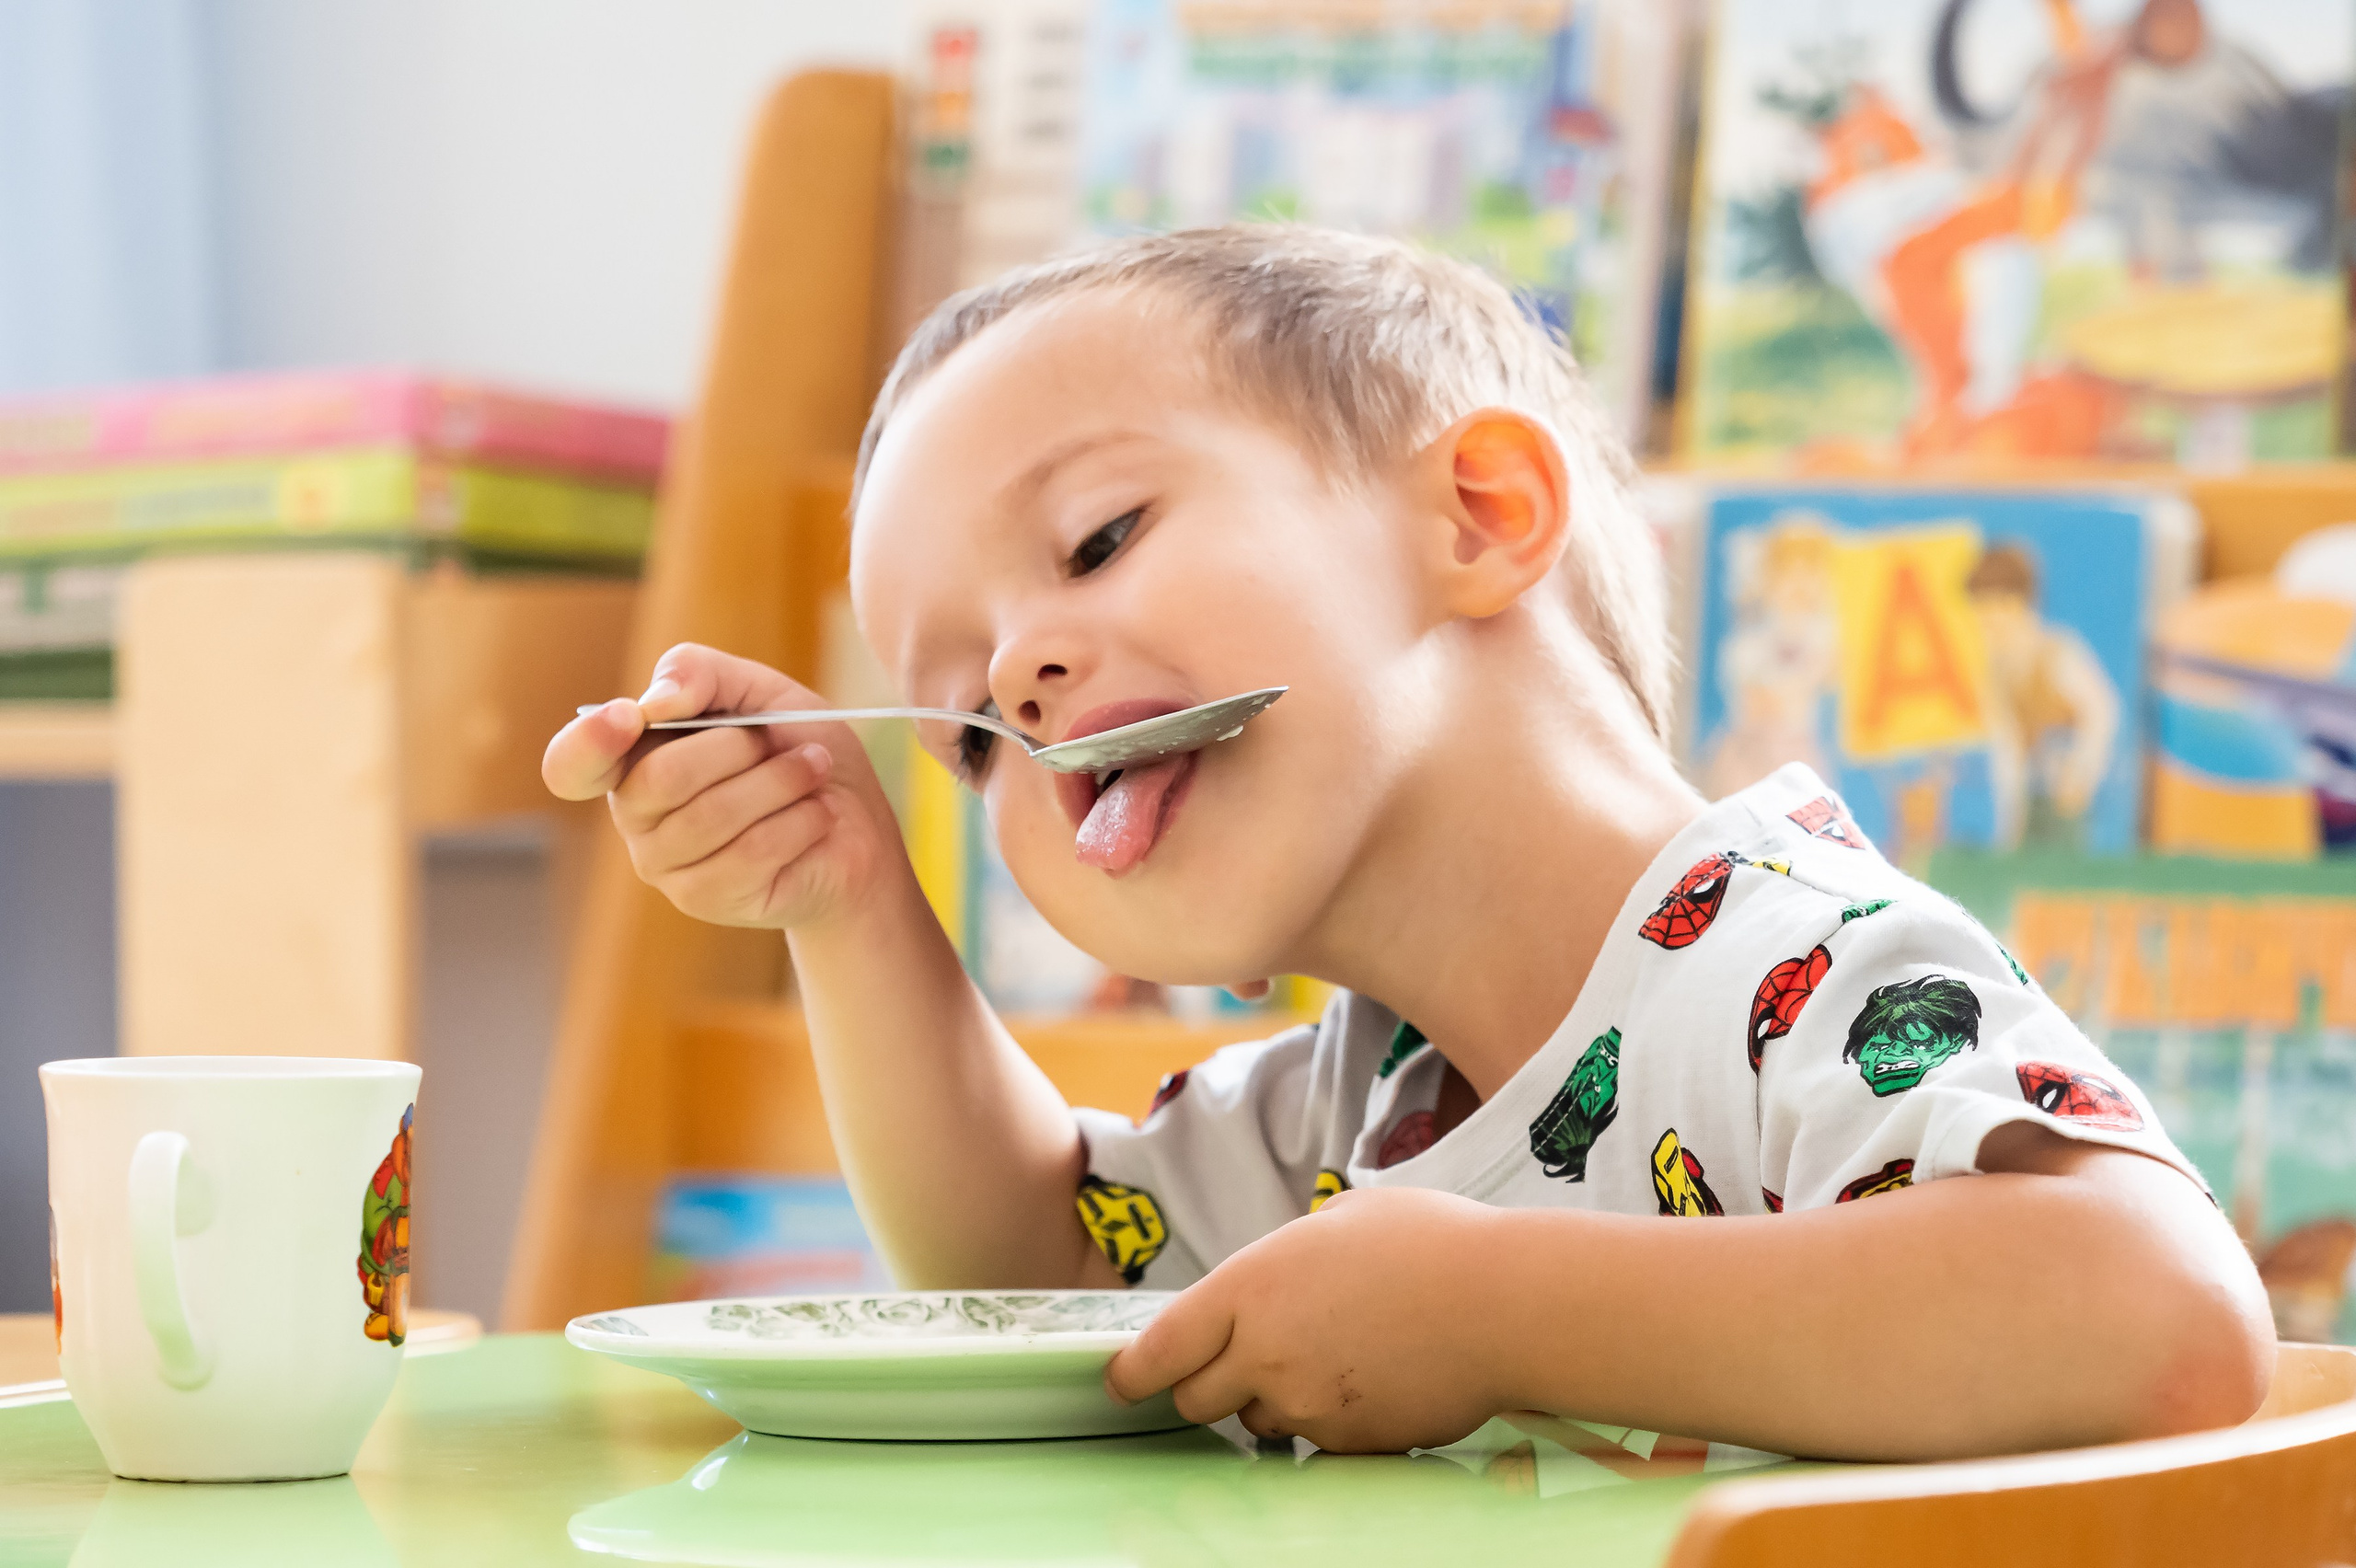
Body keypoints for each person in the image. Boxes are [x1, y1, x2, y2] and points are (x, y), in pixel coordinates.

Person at [544, 226, 2268, 1459]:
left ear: (1480, 516)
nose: (1013, 682)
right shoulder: (1359, 1105)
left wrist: (1499, 1307)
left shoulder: (1791, 964)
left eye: (1096, 537)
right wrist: (847, 901)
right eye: (958, 729)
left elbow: (2159, 1312)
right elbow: (1050, 1271)